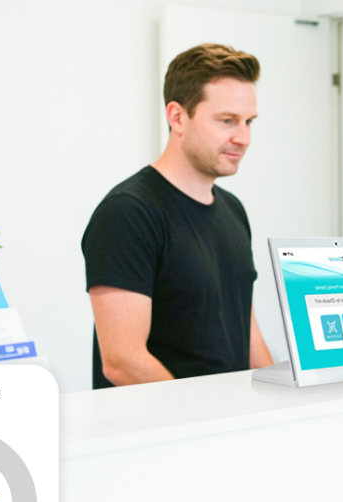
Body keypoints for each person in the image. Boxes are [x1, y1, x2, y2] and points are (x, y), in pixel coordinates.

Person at [82, 43, 274, 389]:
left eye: (249, 122)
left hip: (228, 428)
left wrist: (279, 407)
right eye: (227, 120)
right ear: (177, 116)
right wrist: (203, 424)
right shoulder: (128, 213)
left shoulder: (233, 210)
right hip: (163, 434)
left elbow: (247, 335)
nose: (243, 137)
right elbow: (123, 362)